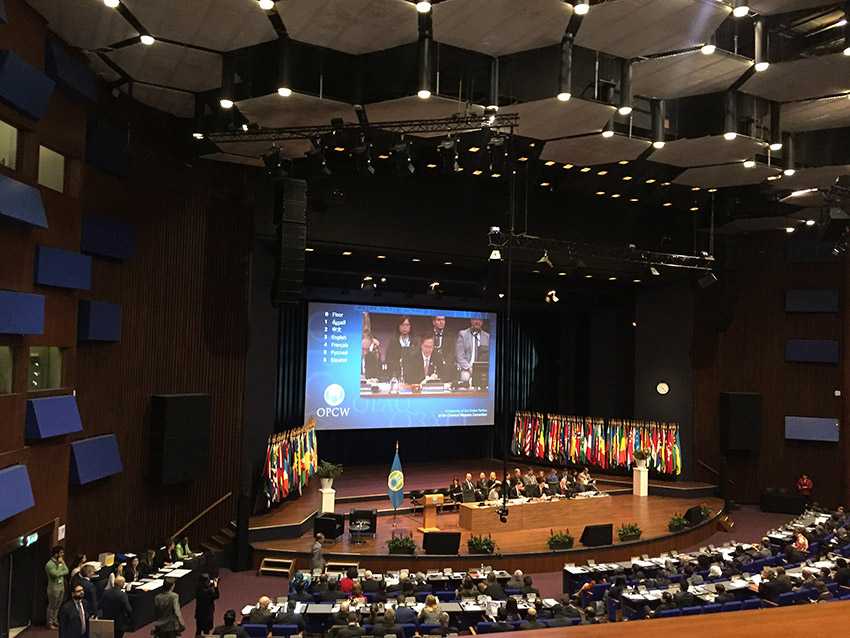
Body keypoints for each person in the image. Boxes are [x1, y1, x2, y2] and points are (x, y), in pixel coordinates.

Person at [456, 318, 490, 383]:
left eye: (480, 320)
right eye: (475, 319)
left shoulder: (487, 337)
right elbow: (459, 357)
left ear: (482, 322)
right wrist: (469, 368)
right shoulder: (463, 334)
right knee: (465, 377)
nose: (477, 322)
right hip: (467, 369)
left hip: (482, 370)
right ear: (471, 320)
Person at [385, 316, 417, 382]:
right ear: (399, 326)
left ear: (410, 326)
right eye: (402, 325)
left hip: (413, 375)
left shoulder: (415, 341)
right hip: (396, 375)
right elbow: (389, 359)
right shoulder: (393, 341)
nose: (405, 327)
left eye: (407, 325)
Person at [46, 545, 69, 629]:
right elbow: (55, 574)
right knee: (52, 606)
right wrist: (60, 566)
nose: (62, 554)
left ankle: (55, 621)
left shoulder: (61, 562)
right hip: (53, 588)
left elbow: (66, 571)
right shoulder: (49, 564)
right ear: (56, 554)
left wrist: (62, 564)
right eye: (61, 553)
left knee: (58, 605)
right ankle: (49, 623)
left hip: (61, 587)